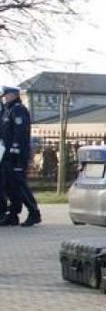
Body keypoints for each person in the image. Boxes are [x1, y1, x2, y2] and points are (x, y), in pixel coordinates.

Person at [1, 85, 41, 227]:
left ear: (14, 94)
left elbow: (20, 133)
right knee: (9, 186)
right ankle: (13, 215)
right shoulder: (7, 110)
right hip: (6, 154)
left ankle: (34, 212)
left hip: (16, 155)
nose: (5, 97)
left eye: (7, 94)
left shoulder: (18, 110)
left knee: (19, 185)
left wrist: (15, 150)